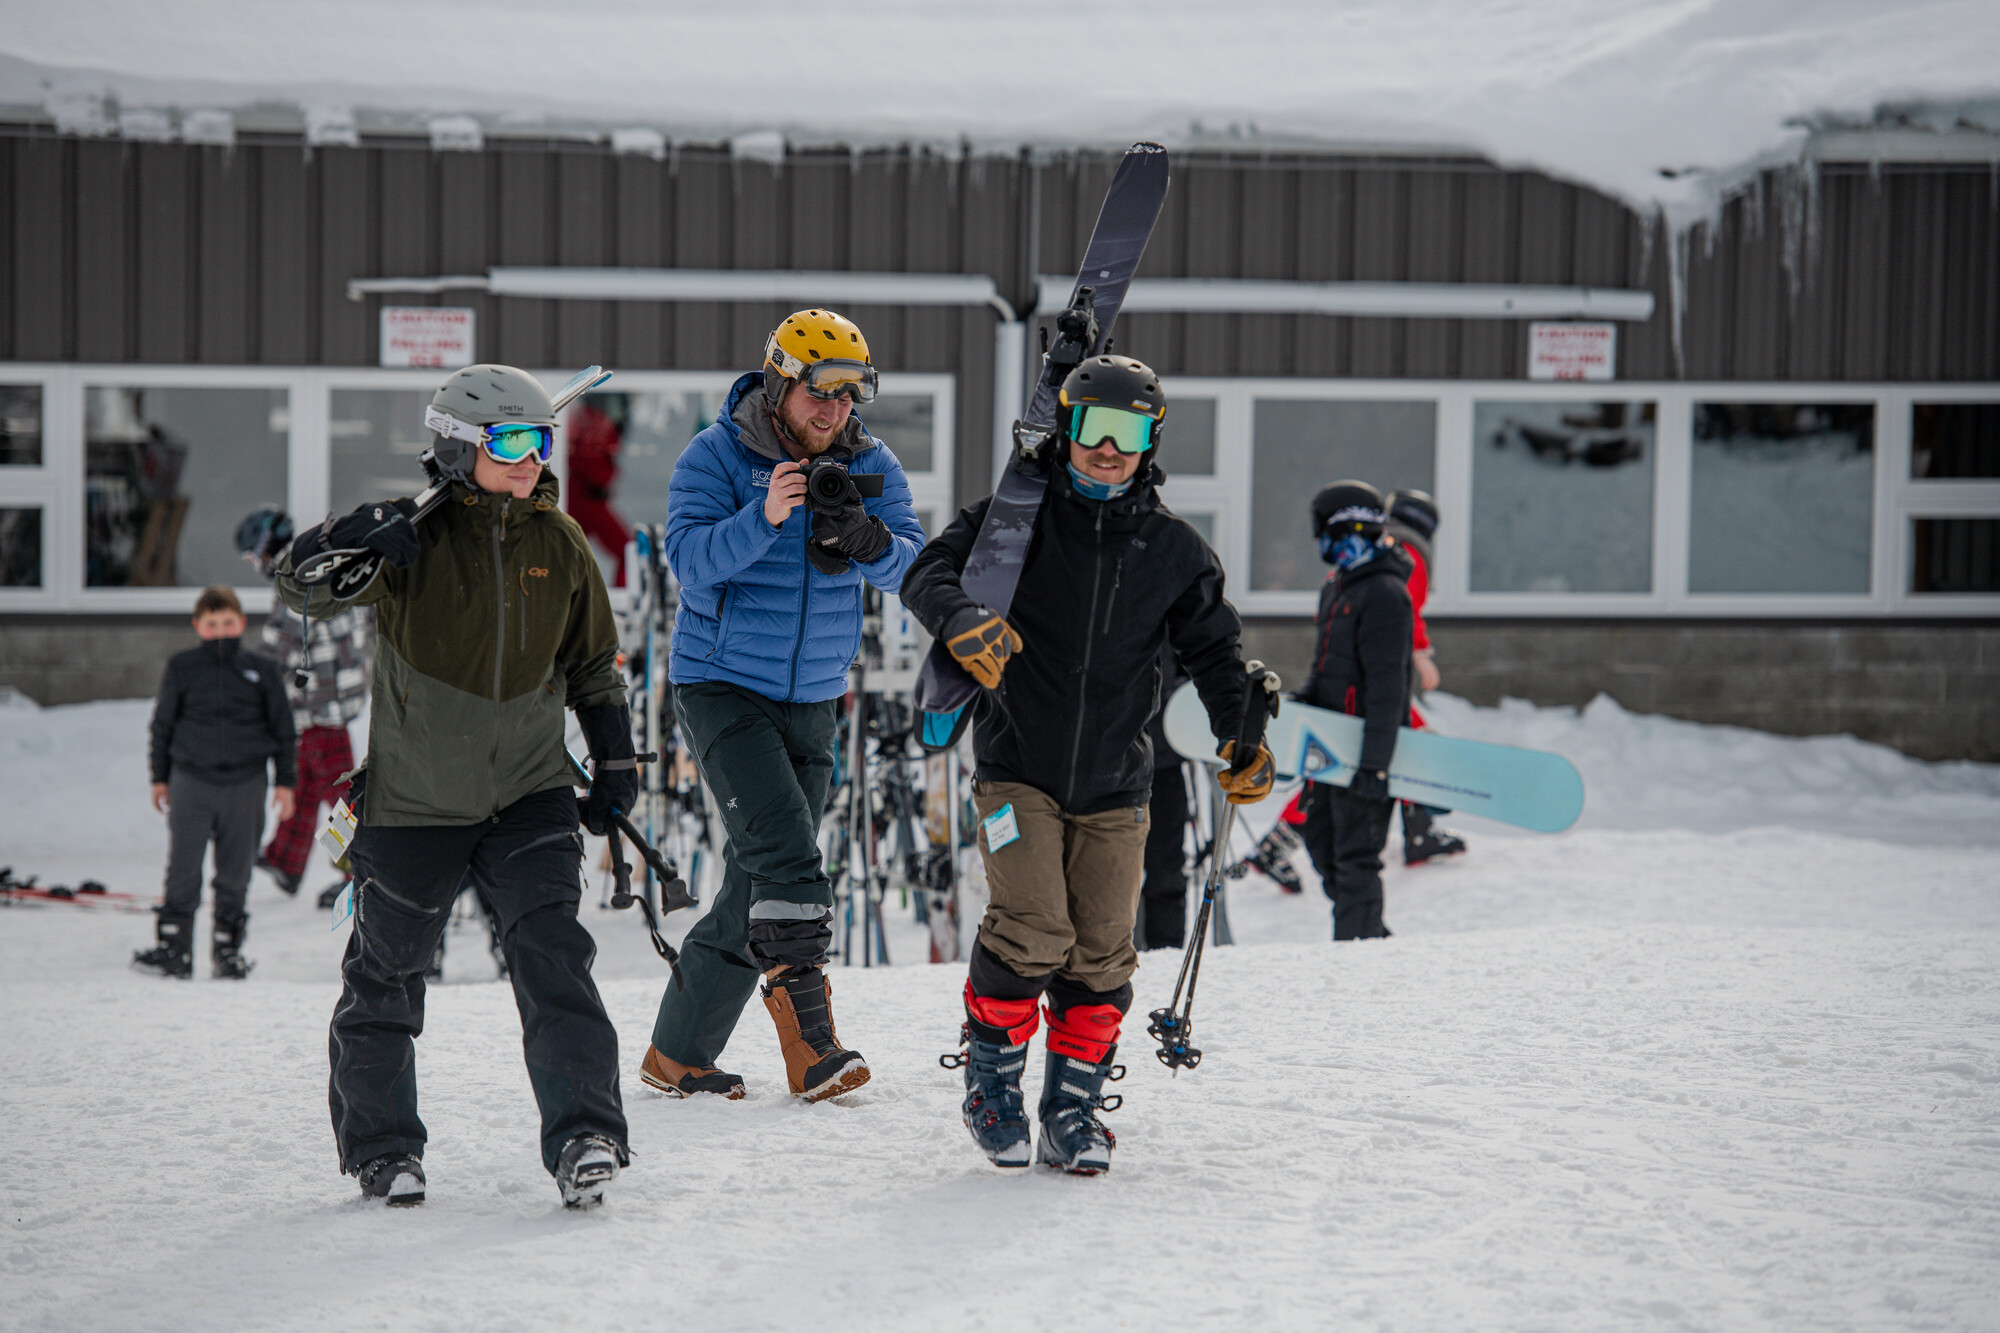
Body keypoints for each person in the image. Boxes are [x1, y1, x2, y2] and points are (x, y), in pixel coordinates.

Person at [273, 363, 635, 1210]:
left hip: (531, 792)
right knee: (387, 975)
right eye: (511, 441)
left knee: (555, 959)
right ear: (458, 445)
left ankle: (587, 1132)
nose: (531, 459)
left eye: (541, 441)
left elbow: (592, 667)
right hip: (415, 799)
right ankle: (383, 1148)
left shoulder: (561, 542)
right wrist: (348, 532)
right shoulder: (407, 541)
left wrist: (615, 760)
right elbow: (300, 588)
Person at [903, 354, 1273, 1174]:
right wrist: (960, 618)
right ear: (1067, 430)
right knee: (1033, 927)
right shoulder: (1014, 521)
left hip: (1117, 780)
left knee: (1102, 950)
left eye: (1130, 433)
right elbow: (926, 569)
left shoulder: (1174, 549)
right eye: (1095, 429)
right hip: (1015, 767)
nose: (1110, 450)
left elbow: (1216, 654)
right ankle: (991, 1083)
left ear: (1151, 441)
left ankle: (1070, 1107)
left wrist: (1239, 736)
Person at [640, 309, 924, 1105]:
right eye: (817, 393)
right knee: (791, 860)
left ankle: (678, 1052)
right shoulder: (717, 455)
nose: (833, 411)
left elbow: (914, 567)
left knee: (757, 874)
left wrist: (867, 539)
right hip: (721, 683)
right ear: (778, 384)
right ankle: (814, 1048)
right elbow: (690, 563)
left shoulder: (871, 462)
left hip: (817, 694)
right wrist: (763, 517)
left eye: (849, 394)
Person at [133, 585, 296, 980]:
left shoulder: (262, 668)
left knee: (235, 870)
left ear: (241, 623)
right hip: (192, 781)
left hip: (247, 782)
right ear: (198, 626)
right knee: (183, 867)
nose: (221, 630)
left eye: (227, 622)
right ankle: (175, 948)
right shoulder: (182, 667)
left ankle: (228, 950)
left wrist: (285, 783)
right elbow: (163, 726)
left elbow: (284, 730)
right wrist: (159, 778)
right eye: (212, 624)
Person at [234, 505, 374, 901]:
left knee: (342, 801)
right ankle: (285, 860)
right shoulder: (326, 568)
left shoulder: (292, 583)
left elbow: (282, 650)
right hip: (334, 698)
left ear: (264, 549)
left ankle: (356, 872)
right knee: (307, 782)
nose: (254, 564)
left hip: (317, 705)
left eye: (252, 556)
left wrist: (249, 685)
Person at [1296, 481, 1413, 941]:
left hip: (1366, 752)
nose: (1321, 544)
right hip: (1329, 746)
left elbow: (1389, 688)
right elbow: (1326, 666)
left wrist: (1375, 767)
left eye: (1326, 530)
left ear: (1353, 528)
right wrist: (1302, 704)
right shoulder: (1337, 588)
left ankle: (1357, 959)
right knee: (1320, 841)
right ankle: (1371, 936)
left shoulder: (1385, 594)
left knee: (1356, 860)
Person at [1382, 489, 1467, 865]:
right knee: (1404, 742)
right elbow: (1405, 608)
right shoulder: (1407, 554)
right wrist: (1420, 655)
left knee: (1403, 742)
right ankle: (1278, 841)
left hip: (1370, 665)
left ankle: (1419, 830)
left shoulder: (1377, 547)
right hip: (1383, 670)